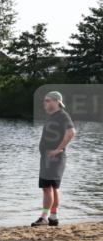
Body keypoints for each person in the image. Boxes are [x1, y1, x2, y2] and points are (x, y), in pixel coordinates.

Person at [32, 91, 76, 227]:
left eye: (48, 100)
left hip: (53, 158)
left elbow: (71, 132)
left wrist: (59, 149)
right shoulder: (54, 116)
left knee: (47, 188)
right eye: (45, 100)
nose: (45, 102)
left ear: (57, 101)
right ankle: (53, 217)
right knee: (53, 187)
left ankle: (44, 217)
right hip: (50, 158)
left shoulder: (62, 115)